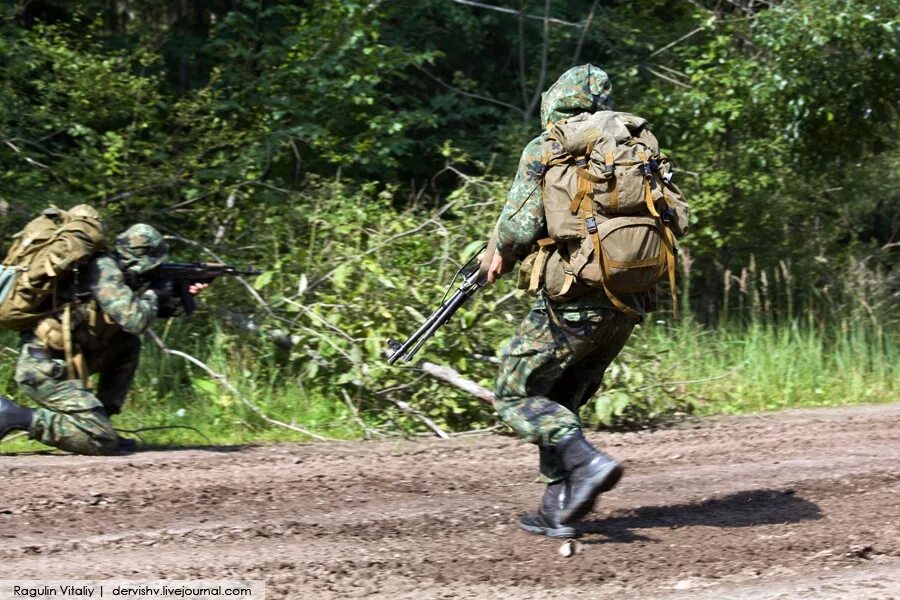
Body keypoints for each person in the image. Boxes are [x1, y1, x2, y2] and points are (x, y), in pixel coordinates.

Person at [484, 65, 648, 538]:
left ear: (556, 100)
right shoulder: (633, 144)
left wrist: (499, 250)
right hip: (628, 299)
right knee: (563, 396)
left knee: (515, 392)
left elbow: (517, 228)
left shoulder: (551, 145)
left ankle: (587, 463)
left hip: (574, 298)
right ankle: (560, 508)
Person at [0, 223, 205, 455]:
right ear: (140, 262)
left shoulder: (114, 270)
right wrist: (153, 294)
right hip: (44, 369)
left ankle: (100, 420)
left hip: (67, 359)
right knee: (100, 441)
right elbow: (135, 320)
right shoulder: (105, 270)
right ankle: (16, 416)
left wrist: (175, 296)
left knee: (127, 344)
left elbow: (128, 316)